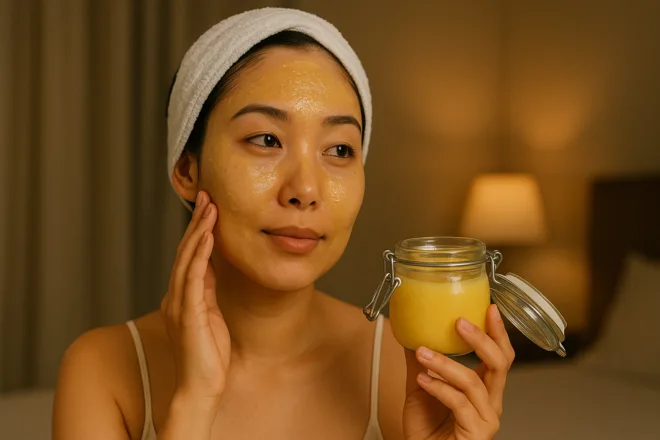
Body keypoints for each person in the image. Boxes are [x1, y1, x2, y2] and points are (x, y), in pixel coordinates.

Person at [52, 8, 514, 440]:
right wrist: (193, 401)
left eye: (339, 150)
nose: (305, 189)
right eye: (267, 139)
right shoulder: (102, 370)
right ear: (188, 170)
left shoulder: (410, 371)